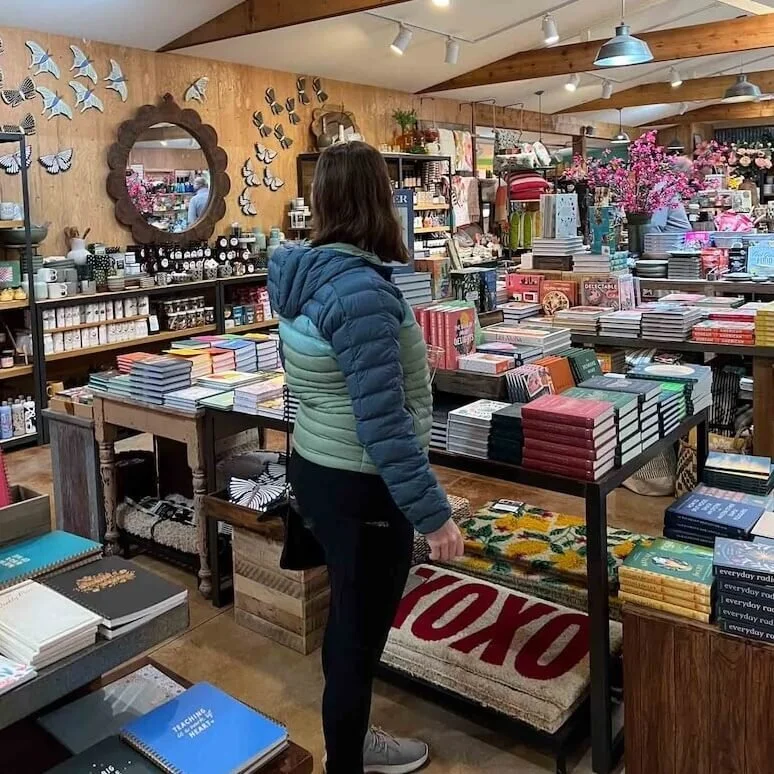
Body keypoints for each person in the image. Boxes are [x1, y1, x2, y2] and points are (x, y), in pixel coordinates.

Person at [268, 141, 464, 774]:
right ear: (379, 200)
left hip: (320, 472)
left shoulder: (307, 277)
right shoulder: (361, 295)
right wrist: (434, 516)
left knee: (346, 618)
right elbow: (383, 422)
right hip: (362, 485)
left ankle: (349, 744)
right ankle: (346, 762)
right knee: (358, 636)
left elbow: (317, 389)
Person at [648, 155, 692, 233]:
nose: (690, 178)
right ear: (680, 173)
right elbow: (657, 223)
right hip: (670, 242)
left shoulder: (671, 189)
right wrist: (656, 243)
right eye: (689, 173)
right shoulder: (665, 191)